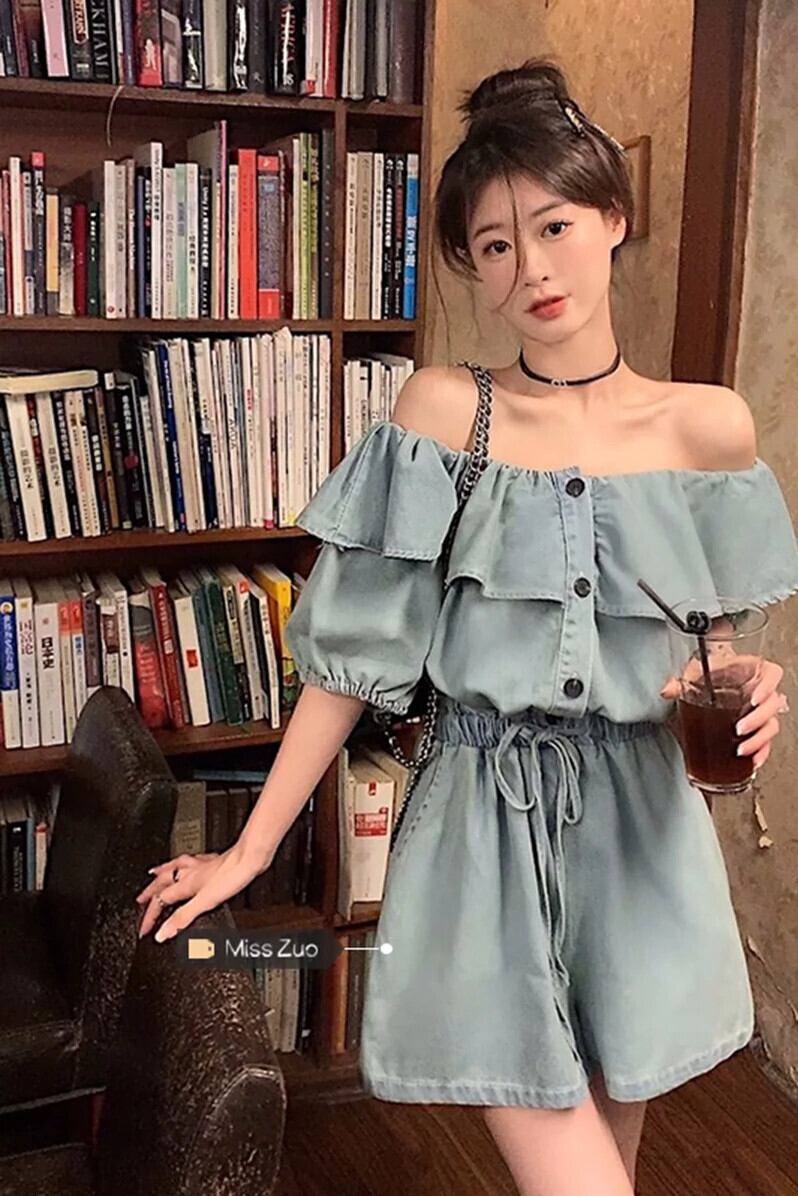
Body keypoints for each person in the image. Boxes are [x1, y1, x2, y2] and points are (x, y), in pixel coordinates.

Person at [136, 59, 798, 1196]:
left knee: (609, 1154)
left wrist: (751, 683)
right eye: (496, 244)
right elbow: (350, 664)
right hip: (485, 823)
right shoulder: (445, 415)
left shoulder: (709, 429)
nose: (531, 266)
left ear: (614, 218)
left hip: (644, 832)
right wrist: (250, 849)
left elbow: (707, 645)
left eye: (554, 225)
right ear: (473, 270)